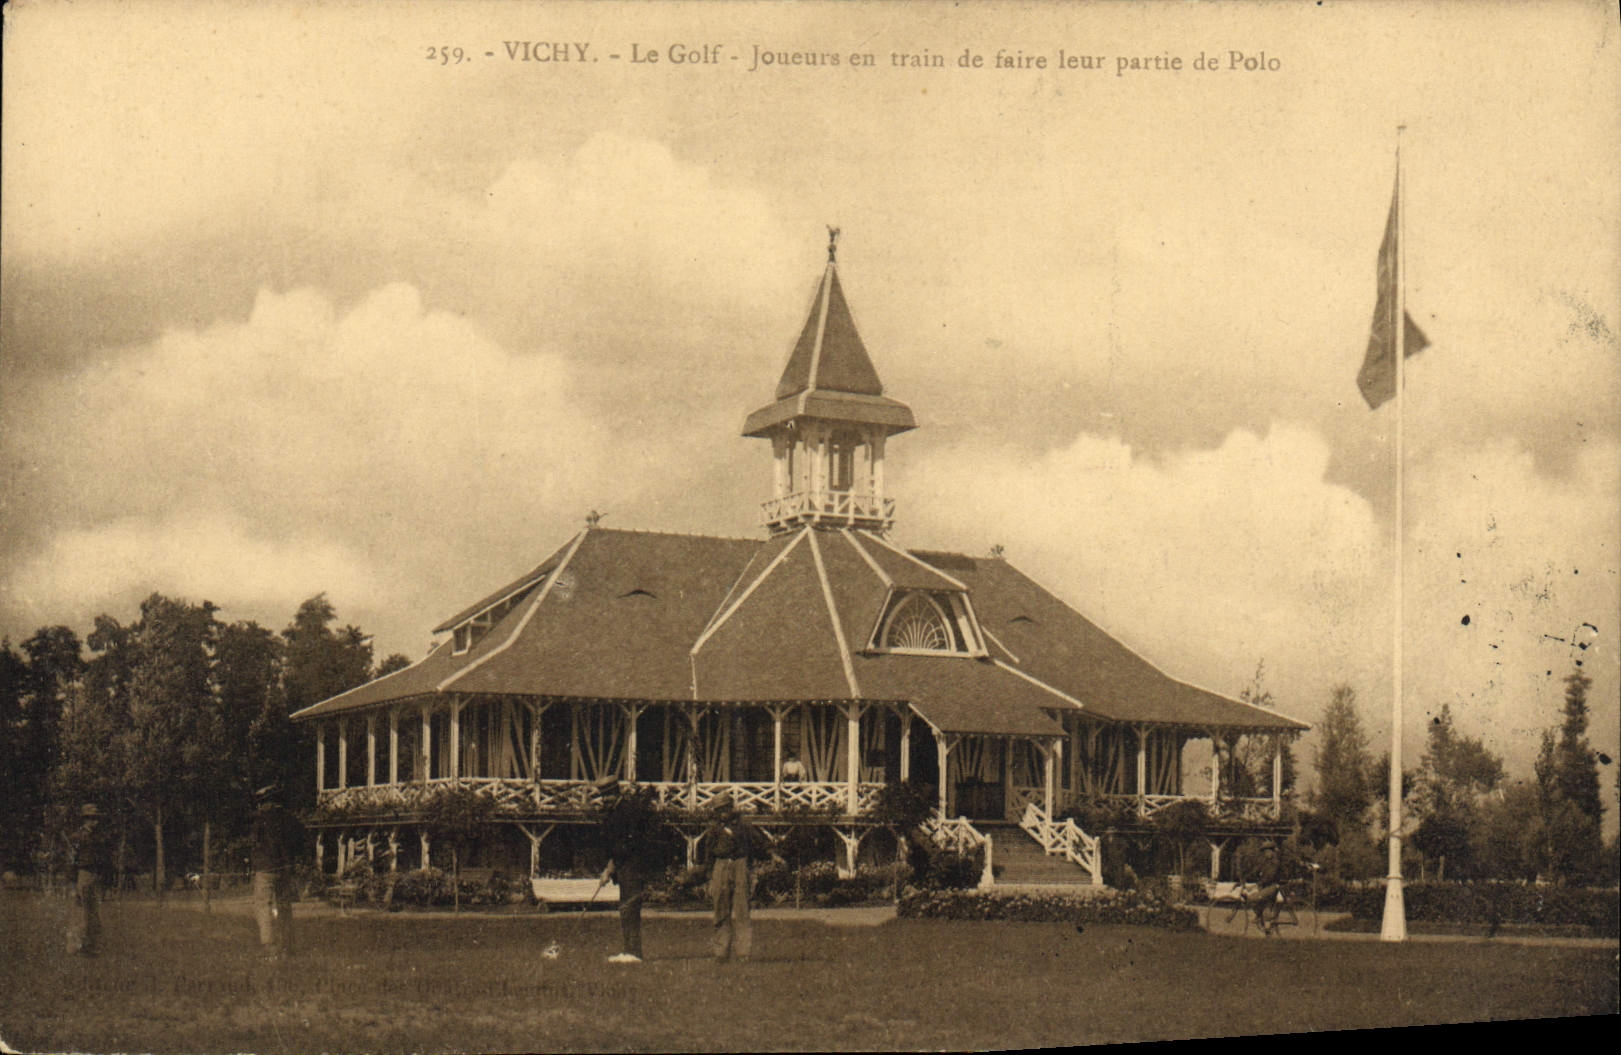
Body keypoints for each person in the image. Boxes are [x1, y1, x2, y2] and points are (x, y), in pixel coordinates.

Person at [596, 779, 660, 964]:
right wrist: (610, 867)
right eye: (603, 797)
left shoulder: (627, 812)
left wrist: (610, 867)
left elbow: (627, 844)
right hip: (624, 866)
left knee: (630, 908)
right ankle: (629, 951)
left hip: (633, 866)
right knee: (626, 908)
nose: (604, 800)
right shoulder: (616, 811)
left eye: (607, 796)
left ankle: (634, 953)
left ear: (615, 793)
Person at [250, 783, 301, 958]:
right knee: (284, 905)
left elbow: (255, 844)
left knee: (262, 905)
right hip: (285, 868)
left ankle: (269, 944)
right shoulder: (289, 818)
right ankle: (287, 945)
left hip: (265, 868)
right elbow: (300, 841)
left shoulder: (260, 819)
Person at [703, 791, 754, 962]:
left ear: (731, 808)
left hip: (739, 864)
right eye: (718, 810)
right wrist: (709, 875)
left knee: (742, 909)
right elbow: (708, 853)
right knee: (720, 909)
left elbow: (756, 846)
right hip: (720, 865)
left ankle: (743, 952)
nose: (722, 813)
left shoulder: (743, 826)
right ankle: (721, 951)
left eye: (725, 809)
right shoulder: (714, 829)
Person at [66, 803, 112, 957]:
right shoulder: (76, 837)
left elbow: (105, 859)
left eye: (96, 819)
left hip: (96, 875)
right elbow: (71, 861)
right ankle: (74, 947)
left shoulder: (99, 837)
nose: (95, 822)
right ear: (85, 819)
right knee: (81, 912)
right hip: (83, 874)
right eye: (92, 818)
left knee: (93, 913)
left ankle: (90, 946)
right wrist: (73, 884)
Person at [1249, 841, 1284, 935]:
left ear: (1272, 851)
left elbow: (1270, 876)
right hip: (1267, 887)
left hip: (1273, 886)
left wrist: (1260, 881)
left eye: (1267, 851)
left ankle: (1258, 916)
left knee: (1252, 898)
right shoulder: (1266, 861)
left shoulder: (1275, 862)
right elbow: (1258, 870)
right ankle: (1268, 932)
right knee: (1266, 908)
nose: (1266, 853)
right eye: (1264, 852)